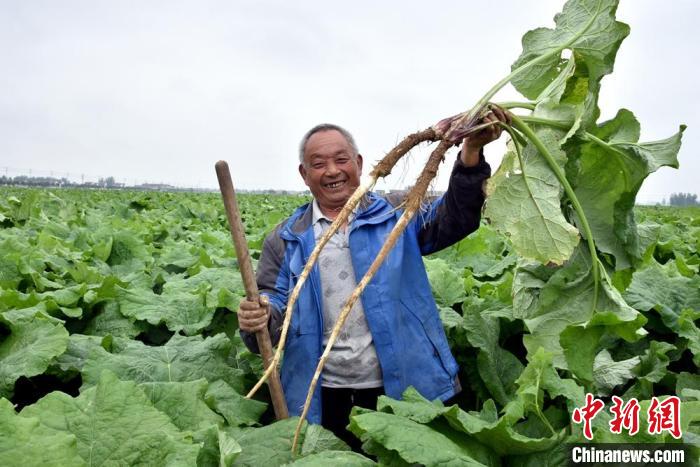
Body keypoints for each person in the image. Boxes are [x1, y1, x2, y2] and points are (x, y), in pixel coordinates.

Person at [238, 107, 510, 450]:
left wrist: (470, 153)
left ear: (360, 163)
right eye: (319, 164)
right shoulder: (285, 239)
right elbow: (271, 310)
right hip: (322, 397)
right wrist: (257, 317)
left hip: (403, 387)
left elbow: (455, 218)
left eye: (341, 159)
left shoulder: (399, 213)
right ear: (304, 175)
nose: (332, 171)